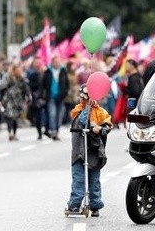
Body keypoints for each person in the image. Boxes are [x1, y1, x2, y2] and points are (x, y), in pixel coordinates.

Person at [65, 86, 112, 217]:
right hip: (79, 151)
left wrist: (99, 128)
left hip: (94, 151)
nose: (82, 99)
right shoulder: (78, 110)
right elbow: (80, 122)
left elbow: (107, 126)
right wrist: (87, 109)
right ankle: (74, 204)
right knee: (78, 179)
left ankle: (95, 204)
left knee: (94, 180)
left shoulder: (101, 112)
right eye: (82, 98)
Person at [0, 63, 31, 141]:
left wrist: (28, 97)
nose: (19, 71)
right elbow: (0, 87)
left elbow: (26, 88)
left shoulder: (22, 78)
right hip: (9, 99)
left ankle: (15, 133)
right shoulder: (7, 77)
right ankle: (10, 133)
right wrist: (0, 98)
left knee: (15, 117)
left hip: (18, 100)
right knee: (9, 116)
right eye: (17, 70)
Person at [39, 56, 69, 141]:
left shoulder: (63, 70)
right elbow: (43, 84)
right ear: (52, 62)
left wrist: (65, 93)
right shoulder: (48, 71)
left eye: (58, 62)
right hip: (51, 96)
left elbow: (67, 84)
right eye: (55, 62)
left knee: (59, 115)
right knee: (52, 114)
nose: (57, 63)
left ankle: (57, 130)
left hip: (60, 97)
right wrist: (41, 95)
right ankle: (53, 131)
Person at [26, 57, 46, 139]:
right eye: (36, 63)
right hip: (36, 98)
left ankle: (47, 129)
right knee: (38, 116)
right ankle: (39, 132)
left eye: (39, 63)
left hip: (45, 97)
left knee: (46, 115)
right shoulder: (32, 74)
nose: (37, 65)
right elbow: (30, 86)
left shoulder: (45, 73)